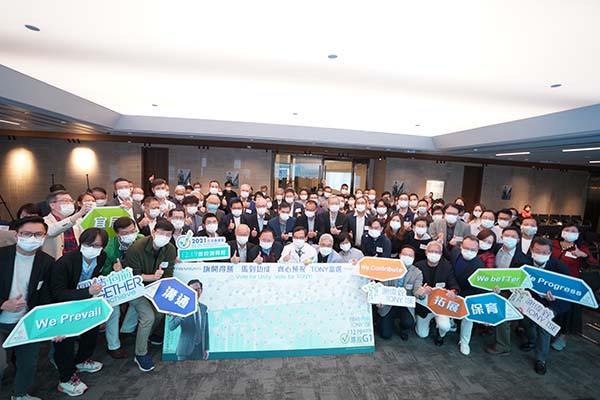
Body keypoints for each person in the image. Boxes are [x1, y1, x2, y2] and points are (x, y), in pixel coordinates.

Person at [0, 217, 53, 400]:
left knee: (29, 363)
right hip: (1, 319)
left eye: (38, 234)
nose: (32, 238)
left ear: (44, 237)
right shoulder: (2, 256)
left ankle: (20, 394)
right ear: (16, 236)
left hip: (27, 320)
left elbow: (46, 296)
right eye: (27, 234)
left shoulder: (46, 262)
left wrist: (52, 326)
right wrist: (3, 303)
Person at [51, 228, 108, 396]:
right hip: (63, 306)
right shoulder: (65, 262)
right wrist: (87, 292)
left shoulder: (101, 257)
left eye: (97, 245)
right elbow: (58, 293)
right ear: (80, 243)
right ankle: (66, 378)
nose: (92, 248)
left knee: (91, 331)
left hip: (85, 303)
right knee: (65, 342)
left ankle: (82, 360)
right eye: (88, 244)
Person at [125, 220, 176, 372]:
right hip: (136, 289)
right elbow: (132, 276)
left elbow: (168, 275)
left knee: (160, 312)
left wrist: (165, 298)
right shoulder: (136, 248)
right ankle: (140, 354)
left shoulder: (170, 249)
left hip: (156, 288)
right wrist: (152, 277)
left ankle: (147, 334)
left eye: (168, 235)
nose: (164, 237)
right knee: (148, 316)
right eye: (161, 233)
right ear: (153, 232)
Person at [520, 237, 571, 375]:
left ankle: (540, 359)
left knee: (544, 325)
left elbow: (567, 291)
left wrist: (555, 298)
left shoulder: (560, 267)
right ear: (531, 250)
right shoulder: (523, 264)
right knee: (526, 321)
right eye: (537, 251)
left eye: (545, 252)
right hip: (529, 300)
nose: (541, 254)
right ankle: (532, 341)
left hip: (552, 303)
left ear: (550, 253)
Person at [100, 217, 143, 359]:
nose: (130, 235)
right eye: (125, 233)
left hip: (136, 280)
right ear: (117, 234)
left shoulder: (142, 240)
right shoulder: (109, 249)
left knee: (140, 301)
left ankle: (126, 330)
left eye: (132, 231)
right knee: (114, 309)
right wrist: (114, 272)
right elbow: (103, 273)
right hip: (114, 285)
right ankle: (113, 346)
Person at [486, 226, 532, 356]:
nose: (509, 239)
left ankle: (503, 345)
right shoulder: (495, 249)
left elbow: (523, 281)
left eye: (513, 236)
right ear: (501, 237)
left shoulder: (523, 259)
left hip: (509, 292)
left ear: (518, 240)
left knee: (503, 315)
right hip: (490, 286)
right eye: (506, 235)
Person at [550, 225, 596, 350]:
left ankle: (563, 336)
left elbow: (593, 263)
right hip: (552, 281)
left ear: (578, 234)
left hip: (570, 284)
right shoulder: (553, 244)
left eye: (573, 231)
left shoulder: (581, 248)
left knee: (568, 312)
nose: (569, 233)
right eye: (567, 230)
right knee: (552, 308)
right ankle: (550, 332)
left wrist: (583, 255)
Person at [414, 241, 459, 346]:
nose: (433, 254)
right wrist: (421, 290)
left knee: (445, 326)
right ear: (426, 252)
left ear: (441, 254)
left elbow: (454, 285)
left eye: (437, 252)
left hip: (440, 305)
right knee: (422, 334)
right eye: (431, 251)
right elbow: (414, 288)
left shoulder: (447, 267)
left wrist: (453, 291)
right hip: (424, 305)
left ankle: (441, 335)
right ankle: (426, 321)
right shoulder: (418, 266)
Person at [449, 235, 485, 355]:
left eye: (473, 249)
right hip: (452, 290)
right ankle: (451, 324)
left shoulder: (480, 266)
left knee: (468, 318)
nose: (469, 251)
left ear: (478, 250)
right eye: (466, 248)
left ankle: (464, 342)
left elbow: (480, 289)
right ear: (461, 246)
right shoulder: (455, 252)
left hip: (469, 295)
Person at [377, 246, 424, 341]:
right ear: (399, 255)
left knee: (409, 322)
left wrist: (422, 293)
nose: (407, 257)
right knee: (385, 335)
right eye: (405, 254)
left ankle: (403, 328)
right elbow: (382, 286)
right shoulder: (389, 268)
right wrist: (379, 299)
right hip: (388, 303)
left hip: (405, 305)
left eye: (410, 255)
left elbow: (417, 291)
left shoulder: (417, 273)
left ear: (414, 258)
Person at [42, 190, 92, 260]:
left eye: (71, 201)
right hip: (55, 261)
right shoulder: (44, 221)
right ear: (52, 205)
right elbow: (51, 231)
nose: (70, 204)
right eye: (65, 201)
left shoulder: (78, 220)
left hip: (76, 260)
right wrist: (79, 214)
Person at [168, 280, 209, 361]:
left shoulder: (203, 308)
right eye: (192, 290)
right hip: (185, 349)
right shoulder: (180, 306)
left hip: (200, 350)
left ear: (201, 290)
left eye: (197, 289)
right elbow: (171, 327)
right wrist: (181, 315)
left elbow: (205, 329)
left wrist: (206, 348)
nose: (195, 292)